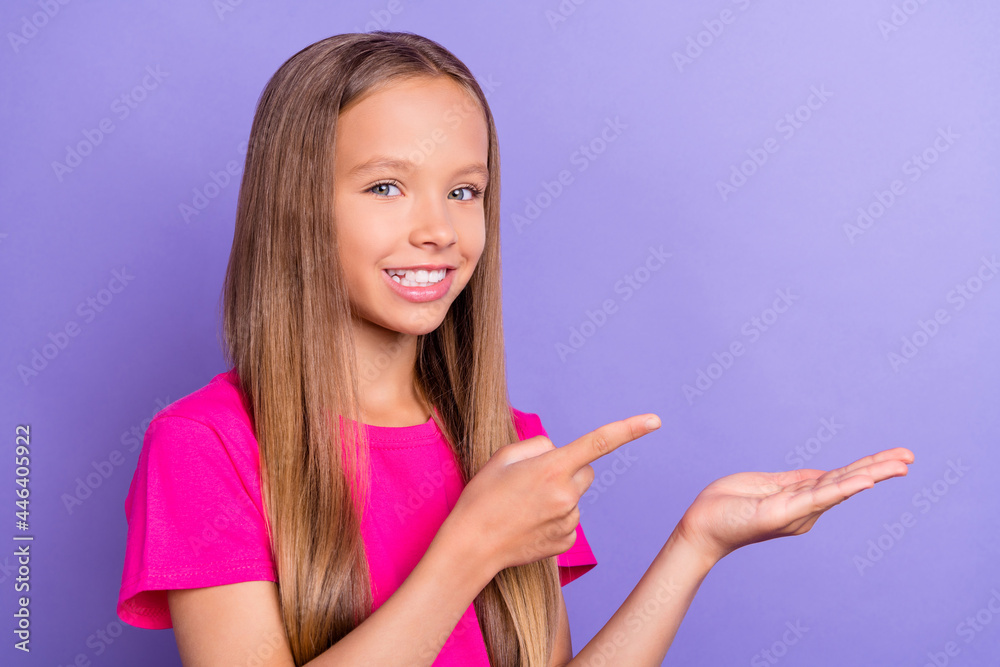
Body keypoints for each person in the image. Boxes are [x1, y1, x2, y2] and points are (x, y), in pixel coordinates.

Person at [116, 31, 914, 667]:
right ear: (296, 207)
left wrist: (696, 544)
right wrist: (470, 548)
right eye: (386, 185)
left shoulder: (508, 443)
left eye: (465, 189)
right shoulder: (206, 445)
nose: (439, 228)